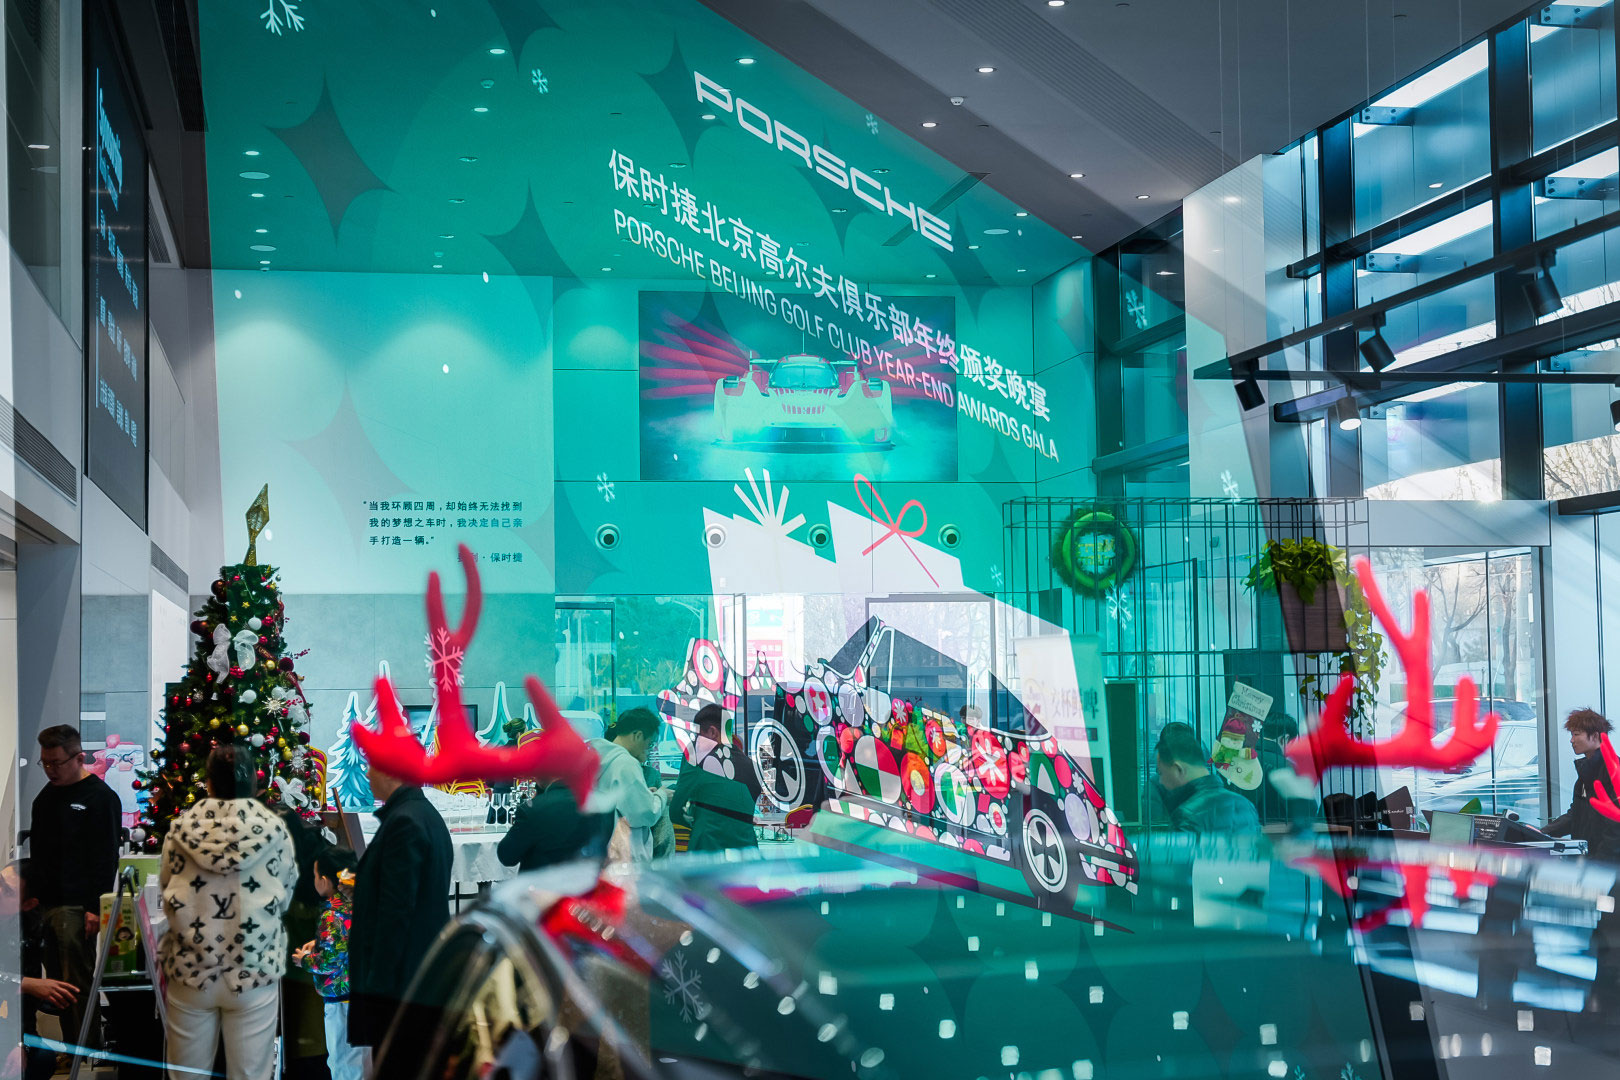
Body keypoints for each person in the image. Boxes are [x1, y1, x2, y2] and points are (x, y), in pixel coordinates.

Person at [159, 744, 297, 1080]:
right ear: (254, 782)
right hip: (253, 967)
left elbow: (166, 887)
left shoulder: (181, 829)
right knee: (251, 1074)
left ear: (208, 782)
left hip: (192, 967)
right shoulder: (274, 829)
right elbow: (285, 894)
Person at [348, 759, 453, 1051]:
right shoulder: (420, 813)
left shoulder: (405, 822)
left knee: (398, 1061)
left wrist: (377, 988)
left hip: (401, 984)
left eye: (372, 766)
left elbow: (396, 913)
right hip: (415, 976)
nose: (367, 773)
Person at [27, 725, 122, 1050]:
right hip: (44, 904)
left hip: (77, 906)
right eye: (45, 763)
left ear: (79, 758)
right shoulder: (45, 797)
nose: (50, 770)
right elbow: (39, 852)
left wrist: (94, 908)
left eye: (56, 763)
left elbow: (106, 858)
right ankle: (72, 1049)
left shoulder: (100, 798)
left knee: (75, 983)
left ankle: (86, 1052)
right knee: (56, 983)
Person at [3, 860, 80, 1080]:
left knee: (41, 1059)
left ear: (28, 904)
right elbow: (27, 987)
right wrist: (24, 983)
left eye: (7, 891)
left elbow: (24, 1005)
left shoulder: (28, 928)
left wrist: (19, 1044)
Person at [292, 846, 363, 1080]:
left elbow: (330, 962)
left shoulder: (331, 914)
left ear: (324, 880)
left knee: (341, 1062)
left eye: (315, 875)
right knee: (357, 1060)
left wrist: (305, 960)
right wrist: (320, 942)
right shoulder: (357, 903)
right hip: (361, 993)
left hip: (341, 998)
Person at [585, 707, 674, 863]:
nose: (648, 750)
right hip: (625, 853)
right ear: (638, 735)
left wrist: (644, 794)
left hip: (600, 847)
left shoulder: (598, 757)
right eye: (649, 744)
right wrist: (662, 796)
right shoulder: (626, 763)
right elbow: (643, 814)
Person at [669, 705, 759, 852]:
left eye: (698, 735)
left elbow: (675, 810)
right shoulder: (752, 766)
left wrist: (697, 823)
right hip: (747, 850)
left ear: (712, 732)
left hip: (708, 848)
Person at [1154, 722, 1262, 837]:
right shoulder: (1246, 805)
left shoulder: (1186, 815)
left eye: (1161, 773)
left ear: (1178, 769)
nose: (1160, 781)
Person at [1546, 708, 1620, 861]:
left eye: (1576, 734)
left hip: (1605, 864)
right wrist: (1542, 833)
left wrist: (1600, 863)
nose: (1571, 740)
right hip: (1588, 859)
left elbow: (1615, 826)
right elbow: (1576, 814)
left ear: (1595, 736)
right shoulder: (1587, 772)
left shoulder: (1612, 771)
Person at [496, 778, 612, 873]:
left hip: (540, 889)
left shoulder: (534, 809)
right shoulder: (600, 803)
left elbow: (507, 857)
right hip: (587, 886)